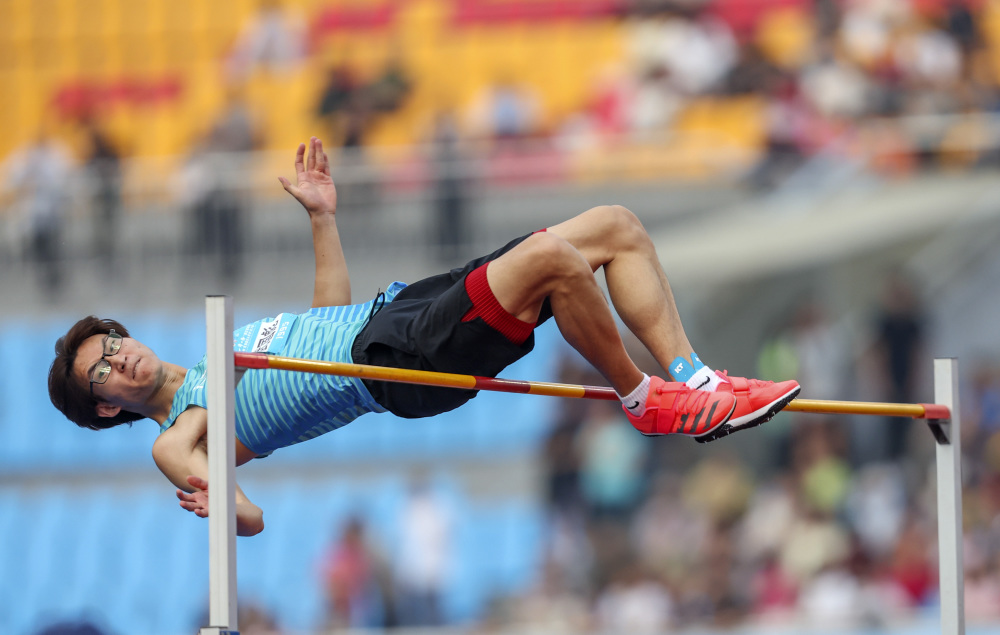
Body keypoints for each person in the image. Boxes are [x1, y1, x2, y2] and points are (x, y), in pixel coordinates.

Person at [47, 137, 800, 537]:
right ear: (106, 406)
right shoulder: (178, 432)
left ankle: (695, 381)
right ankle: (641, 398)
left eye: (112, 343)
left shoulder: (222, 349)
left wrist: (321, 219)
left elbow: (320, 321)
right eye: (102, 372)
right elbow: (250, 517)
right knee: (551, 259)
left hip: (390, 315)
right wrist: (220, 501)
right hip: (395, 365)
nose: (120, 358)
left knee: (614, 226)